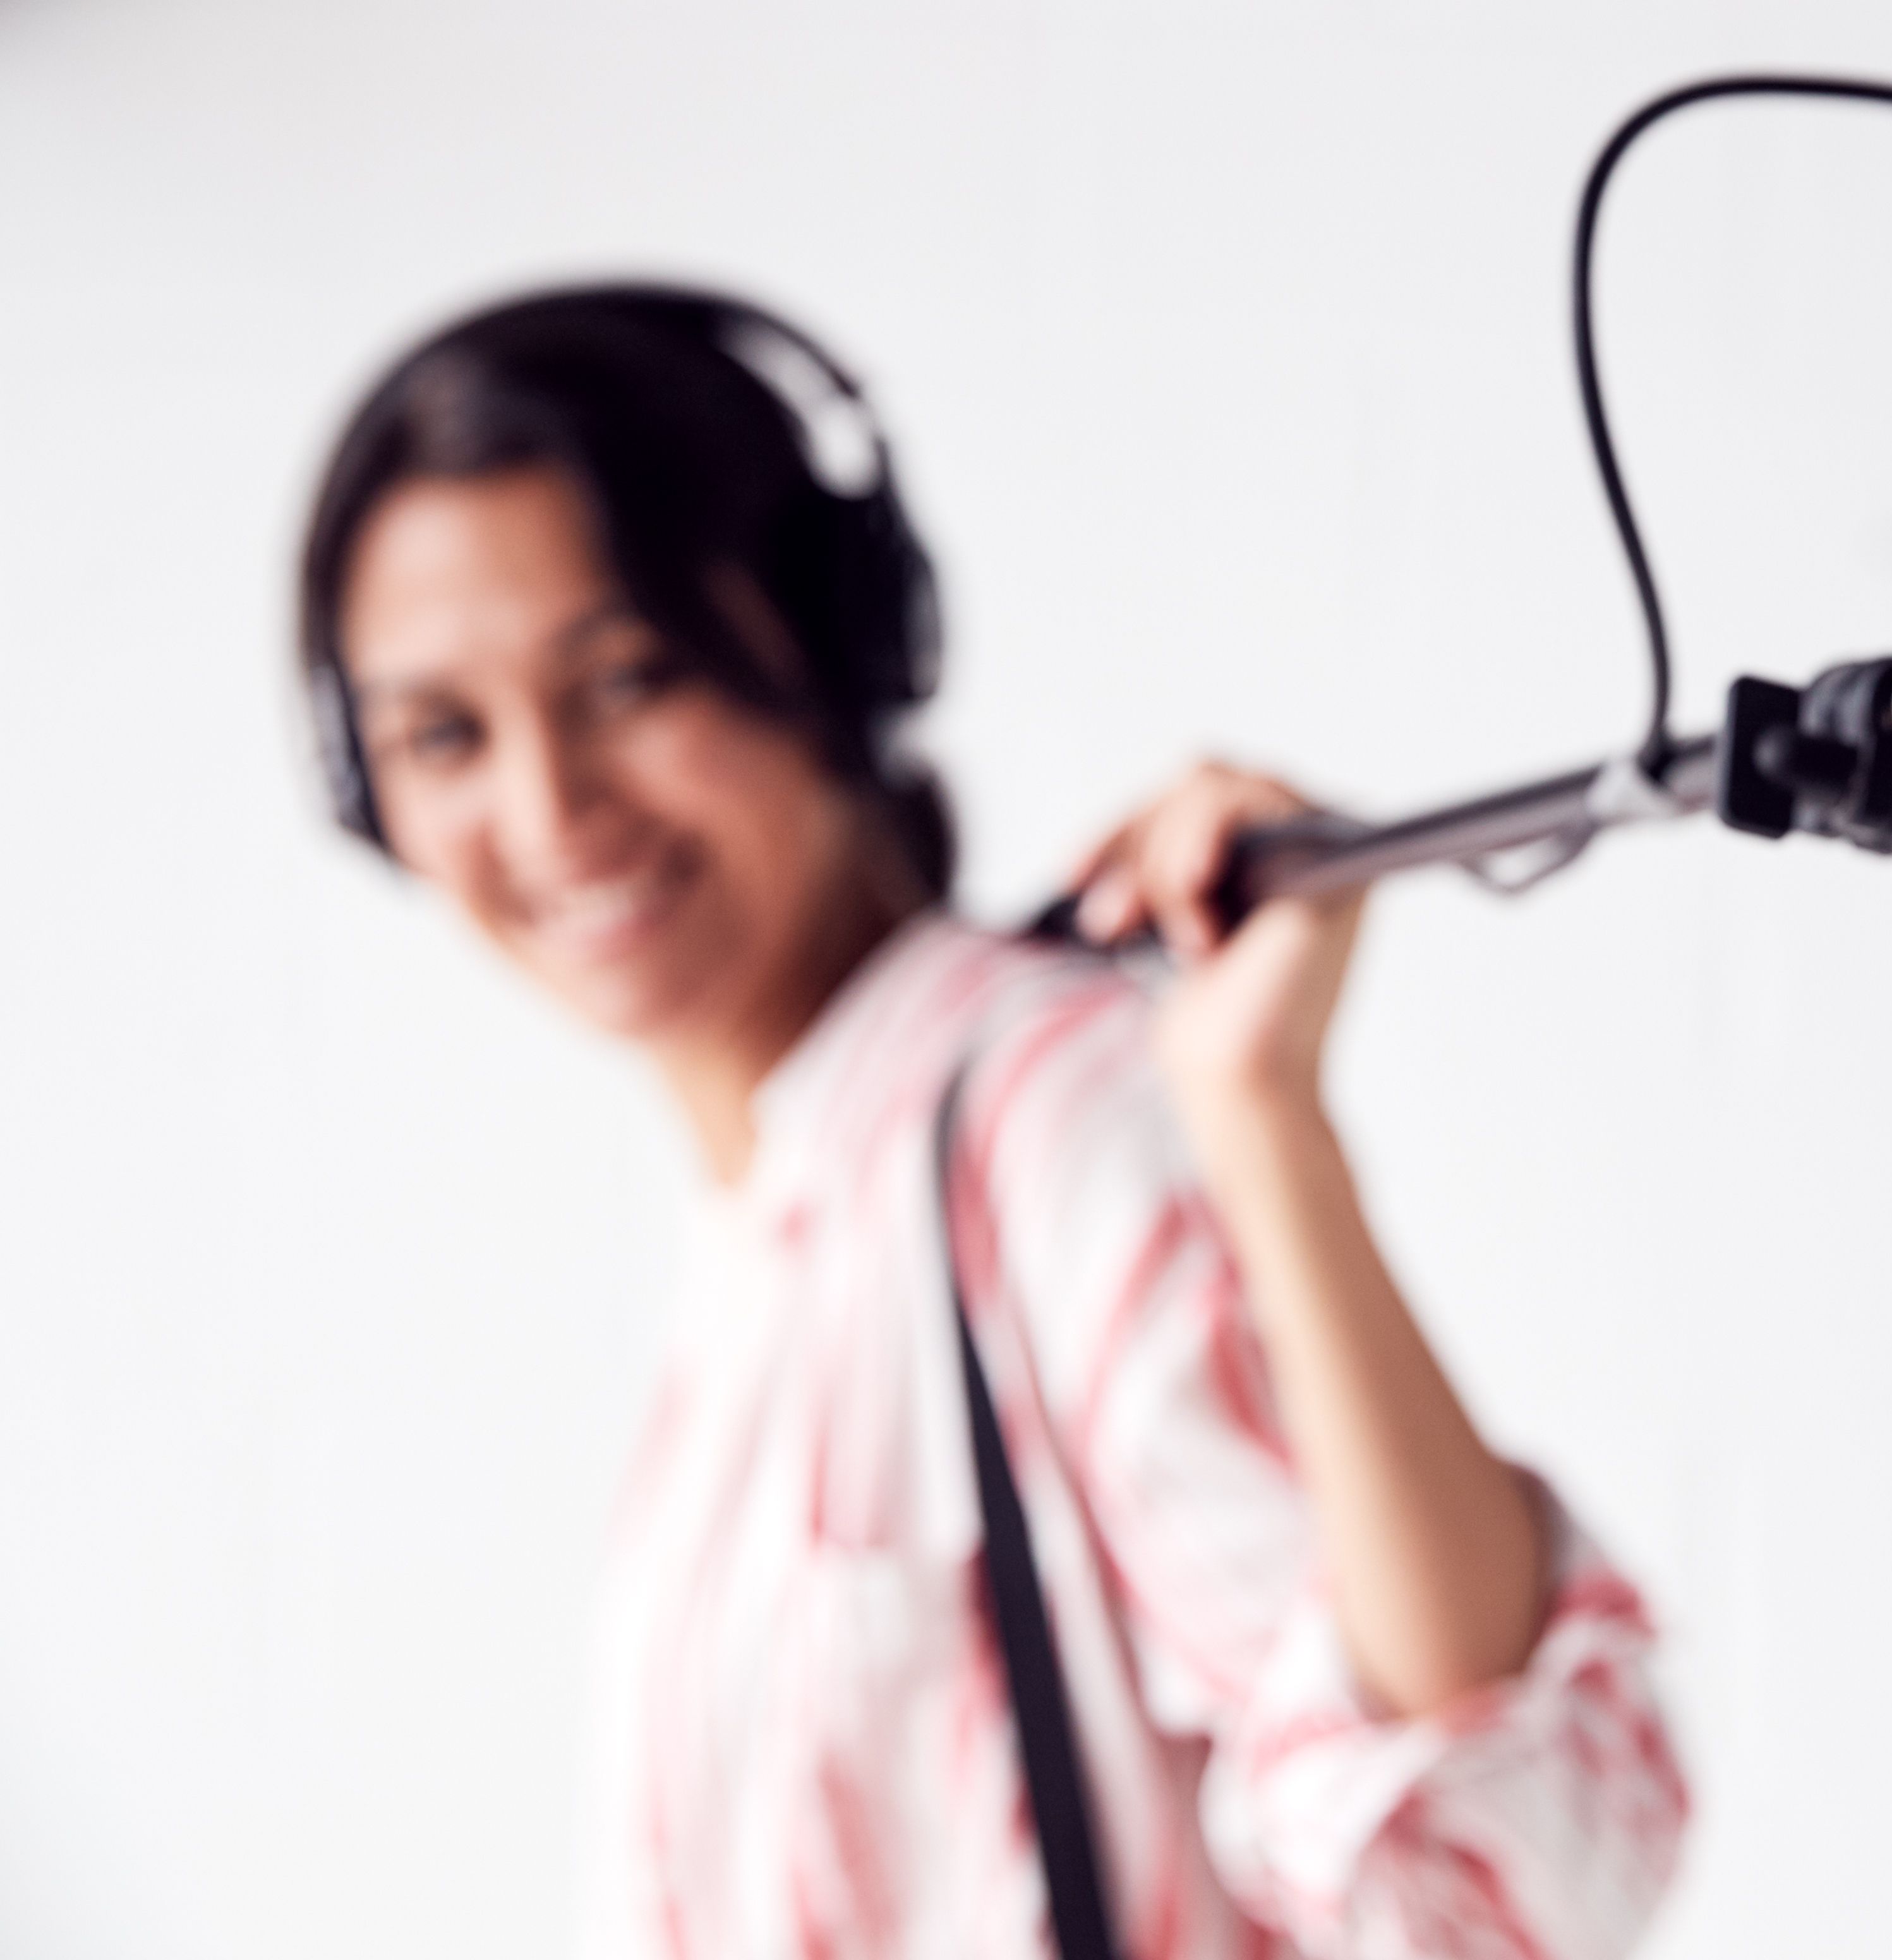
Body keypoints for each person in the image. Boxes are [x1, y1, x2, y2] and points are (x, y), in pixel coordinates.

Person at [296, 286, 1687, 1960]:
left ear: (829, 640)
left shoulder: (1046, 1117)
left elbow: (1501, 1885)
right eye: (442, 735)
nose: (548, 811)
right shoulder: (775, 1223)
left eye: (627, 677)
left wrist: (1262, 1120)